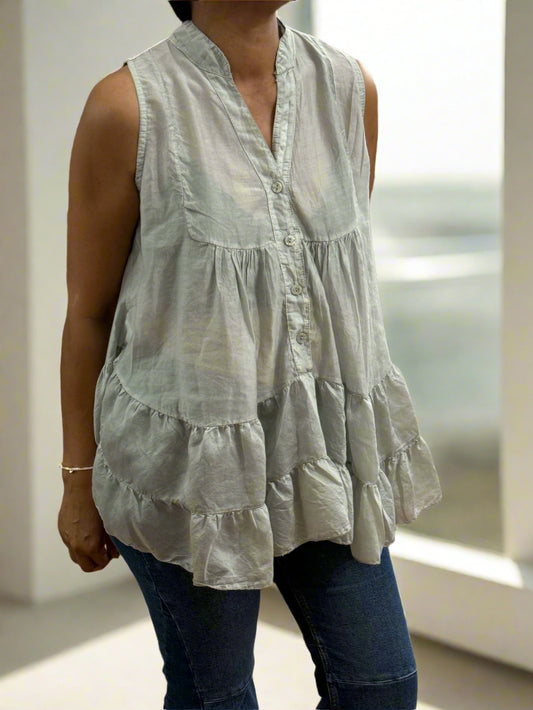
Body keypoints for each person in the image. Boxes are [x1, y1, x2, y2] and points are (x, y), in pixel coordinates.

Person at [58, 1, 442, 708]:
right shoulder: (128, 106)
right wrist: (77, 482)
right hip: (186, 463)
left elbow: (322, 279)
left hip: (320, 449)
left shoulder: (349, 89)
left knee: (381, 687)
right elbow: (88, 314)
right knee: (217, 696)